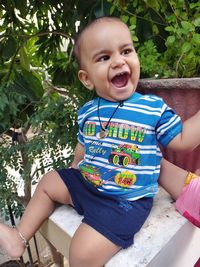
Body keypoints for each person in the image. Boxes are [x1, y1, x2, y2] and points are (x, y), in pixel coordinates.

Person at [0, 16, 200, 267]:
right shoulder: (87, 111)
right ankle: (19, 236)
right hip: (88, 184)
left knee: (81, 253)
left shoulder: (152, 108)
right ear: (86, 78)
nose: (118, 61)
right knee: (50, 181)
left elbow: (183, 140)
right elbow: (83, 145)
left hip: (125, 201)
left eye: (126, 51)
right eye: (104, 58)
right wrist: (75, 165)